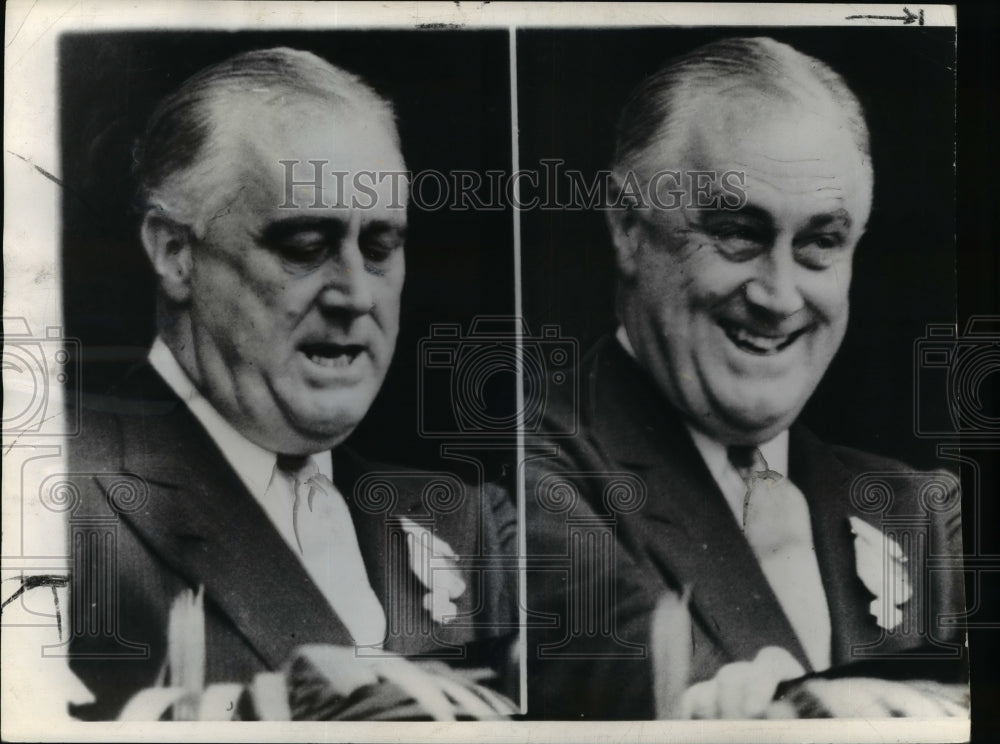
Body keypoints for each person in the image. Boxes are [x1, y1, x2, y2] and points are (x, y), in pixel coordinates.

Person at [66, 47, 516, 720]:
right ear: (174, 252)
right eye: (306, 246)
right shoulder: (56, 495)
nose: (356, 295)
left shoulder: (466, 522)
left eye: (380, 246)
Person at [525, 36, 966, 719]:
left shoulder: (922, 514)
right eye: (739, 233)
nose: (781, 296)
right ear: (628, 227)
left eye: (820, 243)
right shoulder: (523, 481)